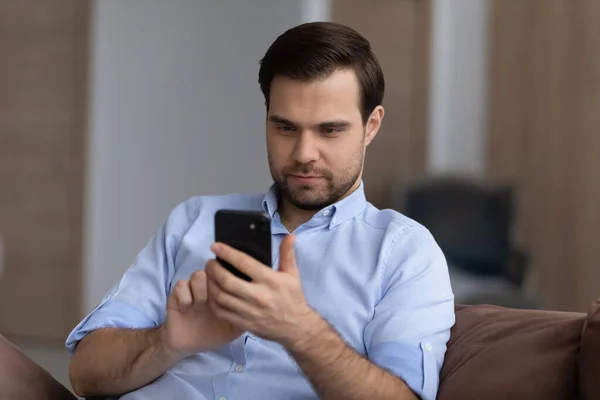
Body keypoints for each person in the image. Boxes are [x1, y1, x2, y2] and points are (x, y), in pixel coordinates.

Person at [66, 21, 455, 400]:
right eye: (285, 128)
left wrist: (301, 331)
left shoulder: (404, 252)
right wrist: (167, 342)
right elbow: (84, 375)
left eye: (329, 130)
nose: (304, 154)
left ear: (371, 126)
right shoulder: (193, 221)